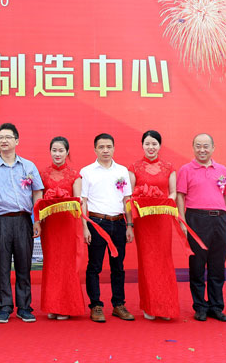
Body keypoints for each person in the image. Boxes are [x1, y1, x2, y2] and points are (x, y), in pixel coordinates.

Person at [0, 122, 43, 324]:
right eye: (0, 137)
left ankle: (24, 307)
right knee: (1, 266)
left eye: (8, 137)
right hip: (0, 221)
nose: (4, 140)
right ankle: (4, 306)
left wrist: (37, 220)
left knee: (24, 264)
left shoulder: (28, 166)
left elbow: (37, 192)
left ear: (17, 141)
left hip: (24, 220)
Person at [176, 133, 226, 322]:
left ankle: (216, 307)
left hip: (220, 220)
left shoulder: (222, 170)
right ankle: (200, 306)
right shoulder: (186, 170)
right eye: (198, 146)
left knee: (218, 266)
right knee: (197, 265)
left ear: (213, 148)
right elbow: (180, 196)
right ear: (193, 148)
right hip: (196, 219)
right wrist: (182, 221)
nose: (202, 150)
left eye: (206, 146)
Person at [80, 133, 134, 323]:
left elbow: (127, 200)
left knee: (118, 266)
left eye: (109, 147)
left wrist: (129, 225)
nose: (105, 150)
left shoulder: (122, 171)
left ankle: (119, 304)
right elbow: (83, 201)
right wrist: (85, 227)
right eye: (101, 147)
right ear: (95, 149)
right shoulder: (87, 172)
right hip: (96, 223)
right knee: (94, 266)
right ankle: (96, 305)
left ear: (114, 148)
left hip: (119, 223)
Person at [128, 130, 178, 320]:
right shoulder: (134, 167)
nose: (151, 147)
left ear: (160, 146)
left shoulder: (169, 167)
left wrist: (164, 202)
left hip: (162, 219)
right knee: (147, 262)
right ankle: (150, 306)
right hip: (144, 221)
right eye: (147, 144)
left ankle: (166, 306)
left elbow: (173, 192)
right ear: (142, 145)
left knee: (164, 260)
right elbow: (130, 195)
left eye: (154, 144)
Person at [38, 136, 85, 320]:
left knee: (67, 265)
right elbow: (38, 201)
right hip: (50, 225)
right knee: (52, 264)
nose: (57, 154)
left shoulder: (75, 175)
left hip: (68, 225)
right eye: (54, 150)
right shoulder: (43, 174)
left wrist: (84, 227)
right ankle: (52, 305)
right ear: (50, 151)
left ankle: (65, 307)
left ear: (67, 152)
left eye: (61, 150)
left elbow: (78, 203)